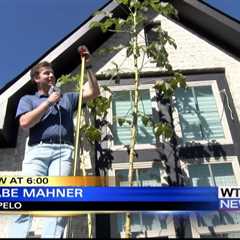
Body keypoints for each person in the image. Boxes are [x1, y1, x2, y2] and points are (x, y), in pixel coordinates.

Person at [8, 46, 100, 238]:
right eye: (46, 73)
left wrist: (89, 66)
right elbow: (25, 122)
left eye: (52, 73)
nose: (51, 75)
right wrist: (49, 102)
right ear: (36, 79)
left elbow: (94, 92)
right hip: (37, 153)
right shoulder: (28, 99)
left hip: (63, 152)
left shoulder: (68, 98)